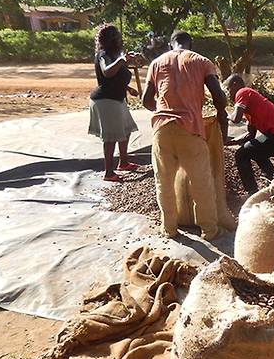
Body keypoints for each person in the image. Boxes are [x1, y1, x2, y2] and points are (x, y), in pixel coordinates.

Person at [142, 30, 228, 239]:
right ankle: (209, 230)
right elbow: (218, 95)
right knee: (201, 183)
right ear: (190, 44)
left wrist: (163, 112)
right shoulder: (201, 61)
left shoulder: (157, 62)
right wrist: (219, 112)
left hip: (162, 130)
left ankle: (170, 229)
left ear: (172, 44)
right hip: (190, 130)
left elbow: (146, 100)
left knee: (164, 182)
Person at [225, 74, 274, 195]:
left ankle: (252, 191)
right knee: (256, 151)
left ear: (235, 85)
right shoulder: (250, 103)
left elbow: (235, 119)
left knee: (241, 154)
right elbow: (250, 135)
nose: (229, 93)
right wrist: (229, 142)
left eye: (229, 89)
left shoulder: (243, 92)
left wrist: (225, 116)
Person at [88, 24, 140, 182]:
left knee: (126, 129)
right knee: (110, 137)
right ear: (111, 40)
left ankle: (123, 163)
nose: (120, 39)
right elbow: (107, 72)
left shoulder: (114, 55)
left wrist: (128, 88)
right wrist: (122, 60)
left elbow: (115, 78)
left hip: (116, 99)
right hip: (106, 101)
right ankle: (108, 173)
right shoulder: (103, 55)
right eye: (117, 37)